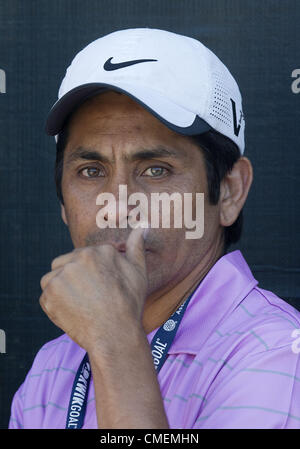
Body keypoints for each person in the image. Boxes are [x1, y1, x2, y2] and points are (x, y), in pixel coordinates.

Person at [9, 28, 300, 429]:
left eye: (156, 170)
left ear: (230, 192)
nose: (117, 205)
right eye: (91, 171)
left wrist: (115, 345)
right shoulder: (53, 367)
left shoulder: (278, 355)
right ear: (62, 201)